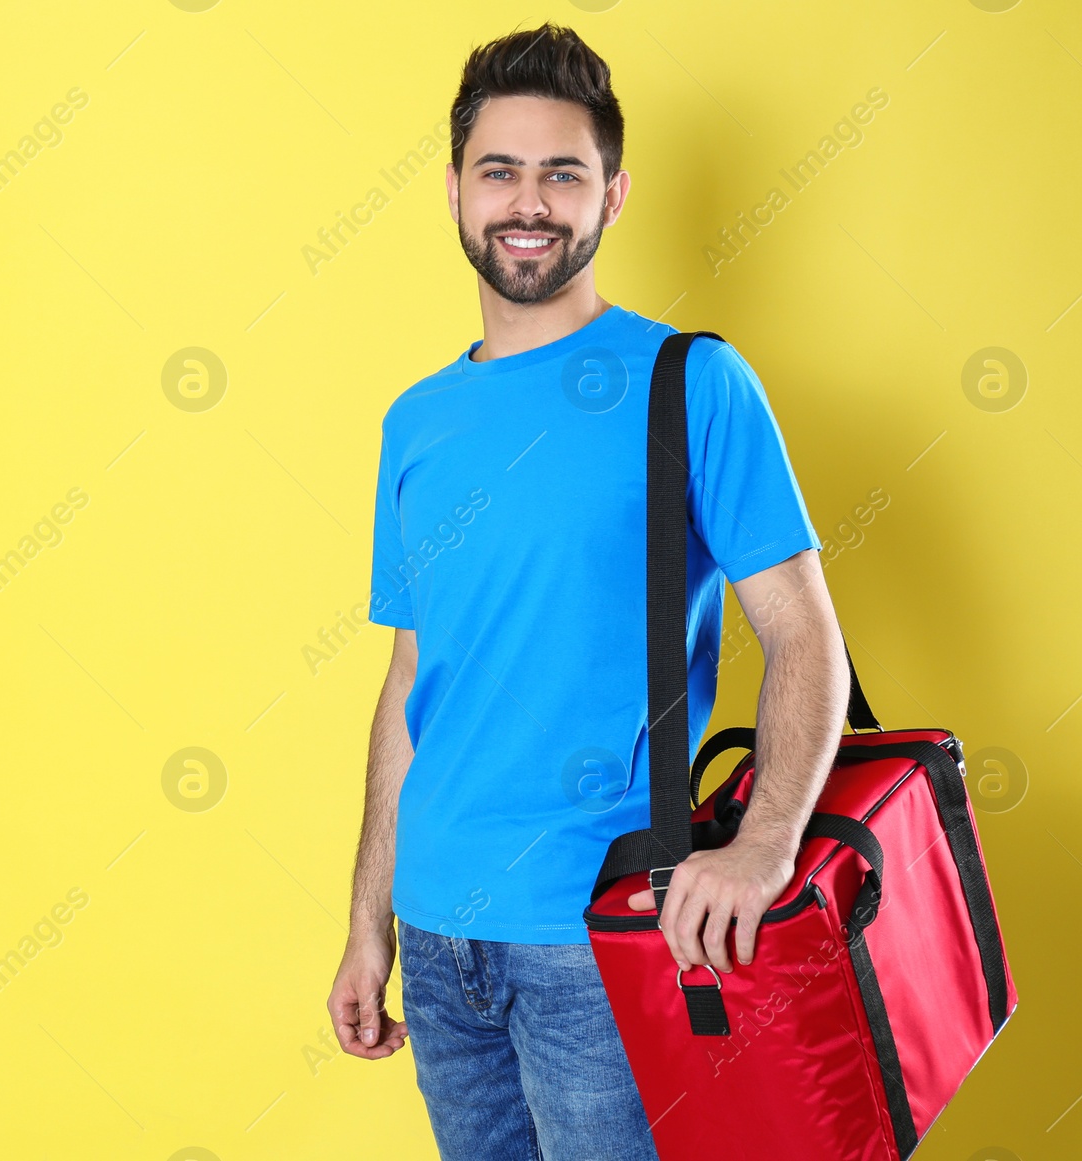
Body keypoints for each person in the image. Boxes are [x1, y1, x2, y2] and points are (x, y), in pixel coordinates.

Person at [325, 22, 850, 1161]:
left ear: (611, 196)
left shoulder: (693, 383)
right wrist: (368, 925)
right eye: (498, 171)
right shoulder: (415, 424)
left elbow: (805, 640)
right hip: (437, 931)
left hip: (603, 935)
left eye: (562, 172)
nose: (528, 200)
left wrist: (760, 851)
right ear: (455, 194)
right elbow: (413, 682)